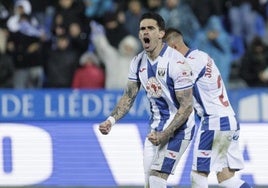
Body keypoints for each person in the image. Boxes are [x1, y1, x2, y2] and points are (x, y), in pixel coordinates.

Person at [98, 12, 195, 188]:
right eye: (142, 29)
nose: (145, 32)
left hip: (179, 129)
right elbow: (128, 96)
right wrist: (110, 120)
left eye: (151, 28)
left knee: (157, 179)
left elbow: (187, 106)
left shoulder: (176, 63)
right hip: (155, 130)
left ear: (161, 34)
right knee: (149, 184)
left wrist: (165, 134)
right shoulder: (137, 62)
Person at [164, 28, 252, 188]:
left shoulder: (190, 63)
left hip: (213, 123)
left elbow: (180, 97)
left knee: (198, 175)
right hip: (229, 120)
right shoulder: (202, 56)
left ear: (174, 48)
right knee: (226, 179)